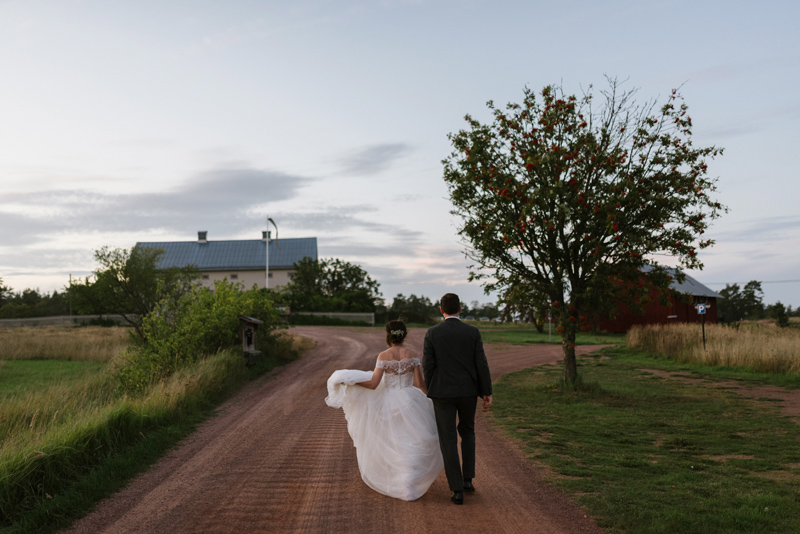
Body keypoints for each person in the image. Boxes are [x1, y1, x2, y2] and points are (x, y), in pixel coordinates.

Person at [325, 320, 443, 501]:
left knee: (395, 439)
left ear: (388, 335)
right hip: (411, 400)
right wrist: (434, 399)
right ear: (404, 335)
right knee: (413, 438)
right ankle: (410, 480)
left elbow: (373, 384)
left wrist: (352, 381)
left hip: (390, 401)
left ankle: (401, 480)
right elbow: (420, 384)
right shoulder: (412, 354)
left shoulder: (383, 355)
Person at [423, 293, 492, 505]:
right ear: (459, 308)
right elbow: (481, 363)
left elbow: (428, 366)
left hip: (442, 393)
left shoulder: (432, 333)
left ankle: (456, 489)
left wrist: (432, 388)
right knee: (468, 432)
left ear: (441, 310)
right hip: (468, 392)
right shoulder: (472, 332)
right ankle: (468, 480)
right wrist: (486, 391)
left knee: (448, 438)